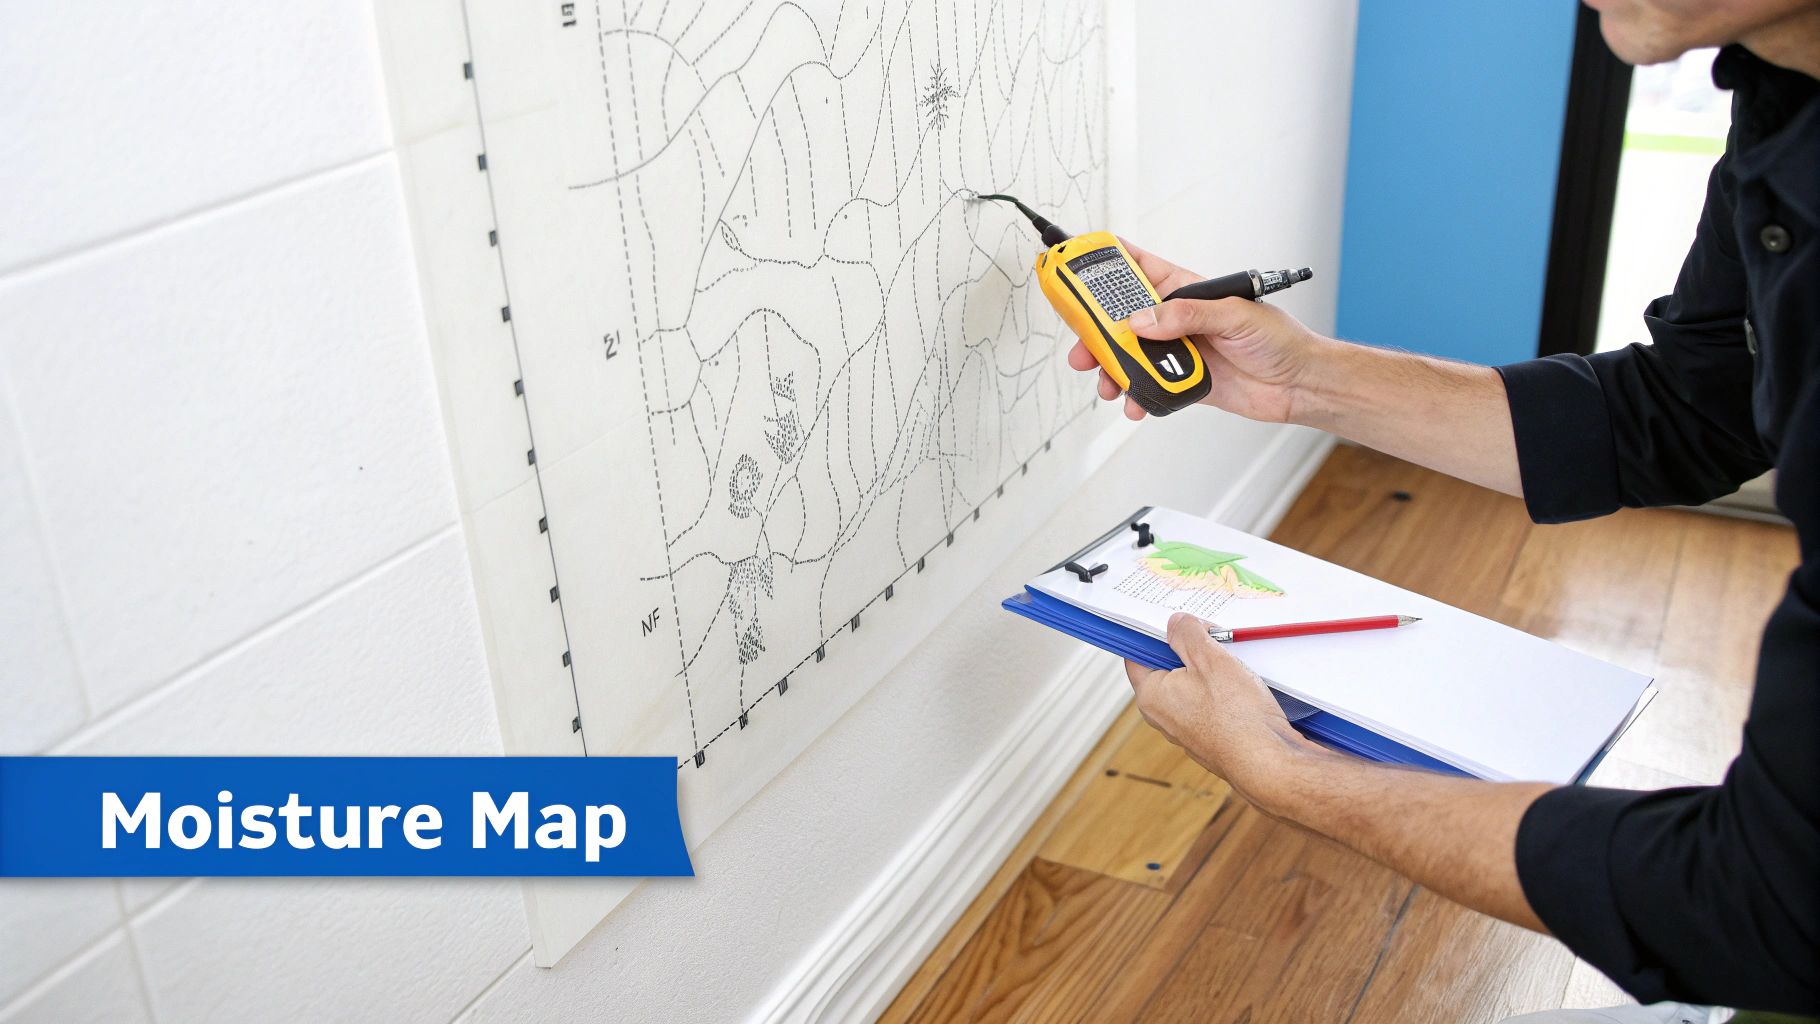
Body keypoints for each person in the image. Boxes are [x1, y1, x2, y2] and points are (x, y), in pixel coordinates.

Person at [1065, 1, 1820, 1019]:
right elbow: (1687, 408)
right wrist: (1308, 382)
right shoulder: (1784, 85)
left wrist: (1291, 773)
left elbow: (1765, 907)